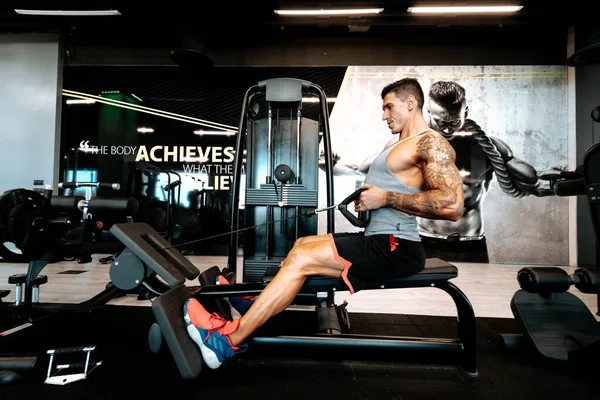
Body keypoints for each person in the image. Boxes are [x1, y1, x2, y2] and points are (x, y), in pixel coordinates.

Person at [182, 78, 465, 369]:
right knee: (302, 245)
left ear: (410, 104)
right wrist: (372, 199)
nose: (384, 115)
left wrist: (386, 198)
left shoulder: (431, 143)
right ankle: (258, 305)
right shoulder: (399, 143)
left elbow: (453, 205)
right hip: (381, 240)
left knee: (304, 258)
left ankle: (225, 342)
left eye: (389, 107)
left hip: (396, 248)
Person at [418, 81, 556, 262]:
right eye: (440, 122)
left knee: (476, 290)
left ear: (465, 113)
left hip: (470, 242)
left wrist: (555, 182)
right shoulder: (409, 148)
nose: (446, 129)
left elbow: (533, 182)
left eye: (454, 122)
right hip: (426, 241)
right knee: (424, 291)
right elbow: (370, 174)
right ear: (428, 112)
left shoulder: (486, 149)